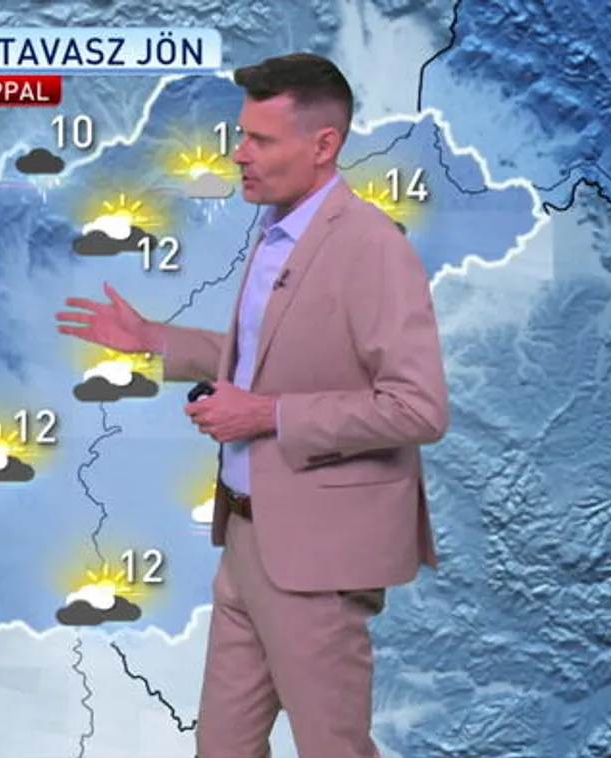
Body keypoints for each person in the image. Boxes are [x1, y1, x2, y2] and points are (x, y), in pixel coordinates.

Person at [55, 53, 449, 758]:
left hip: (317, 555)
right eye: (242, 136)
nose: (239, 154)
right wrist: (156, 341)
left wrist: (266, 416)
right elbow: (262, 361)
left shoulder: (370, 249)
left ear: (323, 145)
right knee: (223, 748)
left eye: (260, 140)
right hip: (243, 540)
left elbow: (417, 408)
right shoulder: (275, 235)